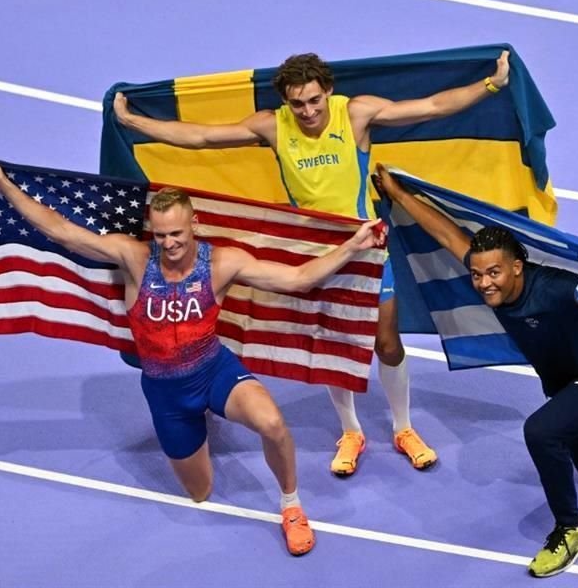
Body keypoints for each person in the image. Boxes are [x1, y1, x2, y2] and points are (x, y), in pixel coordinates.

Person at [113, 50, 512, 476]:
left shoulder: (356, 114)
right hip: (316, 254)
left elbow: (432, 107)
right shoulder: (273, 125)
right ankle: (351, 432)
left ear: (329, 92)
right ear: (286, 102)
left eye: (314, 100)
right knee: (336, 346)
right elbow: (202, 137)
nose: (307, 111)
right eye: (297, 104)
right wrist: (132, 121)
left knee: (387, 342)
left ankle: (403, 427)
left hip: (366, 249)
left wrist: (491, 84)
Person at [0, 155, 386, 557]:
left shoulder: (222, 263)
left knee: (273, 423)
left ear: (194, 226)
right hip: (165, 393)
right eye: (161, 234)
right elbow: (62, 230)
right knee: (200, 493)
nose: (168, 244)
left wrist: (353, 245)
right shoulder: (134, 258)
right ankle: (198, 422)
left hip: (214, 371)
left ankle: (292, 505)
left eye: (176, 234)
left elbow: (298, 279)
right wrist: (1, 183)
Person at [374, 164, 578, 578]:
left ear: (516, 268)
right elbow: (446, 234)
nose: (484, 283)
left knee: (542, 432)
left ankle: (572, 529)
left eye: (493, 273)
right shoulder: (489, 277)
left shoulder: (553, 289)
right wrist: (398, 194)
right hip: (569, 384)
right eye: (477, 274)